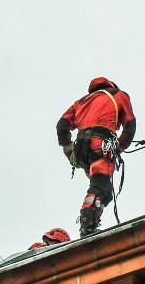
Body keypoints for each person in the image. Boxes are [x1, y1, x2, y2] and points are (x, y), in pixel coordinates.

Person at [56, 77, 136, 237]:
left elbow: (62, 126)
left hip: (81, 149)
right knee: (99, 187)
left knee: (105, 190)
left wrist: (68, 149)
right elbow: (130, 124)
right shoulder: (119, 95)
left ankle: (92, 218)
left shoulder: (80, 103)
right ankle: (88, 223)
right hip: (100, 144)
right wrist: (119, 146)